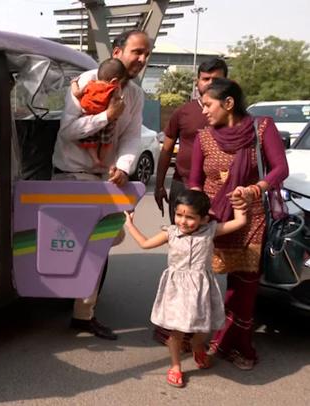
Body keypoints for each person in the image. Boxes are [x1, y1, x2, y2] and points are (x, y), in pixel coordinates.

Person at [52, 29, 150, 340]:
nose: (143, 59)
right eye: (137, 52)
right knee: (74, 244)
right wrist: (106, 116)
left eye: (147, 53)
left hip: (104, 180)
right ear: (118, 52)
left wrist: (123, 167)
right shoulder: (85, 84)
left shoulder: (135, 95)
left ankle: (83, 311)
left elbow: (132, 138)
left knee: (102, 243)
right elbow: (69, 131)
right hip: (72, 175)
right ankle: (77, 308)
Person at [189, 78, 289, 370]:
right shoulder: (204, 136)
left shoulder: (262, 128)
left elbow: (280, 168)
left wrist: (256, 188)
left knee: (243, 289)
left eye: (208, 105)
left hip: (251, 218)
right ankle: (188, 334)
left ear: (228, 103)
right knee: (197, 281)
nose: (204, 111)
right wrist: (195, 209)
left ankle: (237, 343)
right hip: (212, 221)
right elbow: (195, 181)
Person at [125, 189, 248, 387]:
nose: (183, 221)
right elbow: (145, 243)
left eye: (190, 217)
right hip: (177, 290)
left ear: (204, 219)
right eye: (179, 215)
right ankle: (175, 366)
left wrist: (239, 201)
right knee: (176, 331)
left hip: (202, 288)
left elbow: (240, 222)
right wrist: (130, 224)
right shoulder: (171, 233)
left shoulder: (210, 230)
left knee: (204, 325)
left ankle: (197, 345)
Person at [153, 57, 228, 348]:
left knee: (207, 258)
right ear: (197, 81)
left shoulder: (231, 117)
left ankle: (200, 324)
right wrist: (159, 184)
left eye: (215, 79)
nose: (208, 84)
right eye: (204, 78)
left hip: (216, 194)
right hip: (183, 188)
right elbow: (167, 147)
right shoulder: (183, 112)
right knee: (180, 256)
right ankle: (171, 326)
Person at [70, 58, 129, 169]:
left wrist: (73, 82)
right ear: (114, 81)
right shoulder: (113, 89)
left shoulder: (89, 85)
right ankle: (101, 159)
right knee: (105, 142)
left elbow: (77, 93)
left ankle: (94, 159)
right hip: (107, 120)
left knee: (90, 141)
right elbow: (117, 102)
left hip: (88, 115)